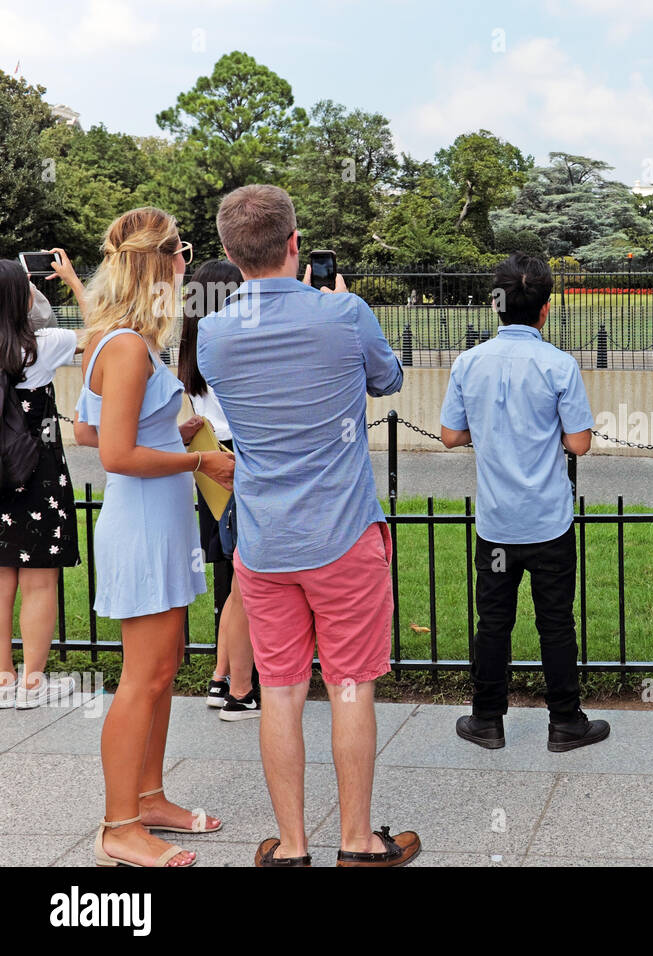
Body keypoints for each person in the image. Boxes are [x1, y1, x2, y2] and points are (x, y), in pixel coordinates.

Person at [199, 184, 419, 867]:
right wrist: (336, 307)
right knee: (350, 684)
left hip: (264, 542)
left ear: (233, 256)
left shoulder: (212, 332)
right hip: (344, 533)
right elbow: (388, 382)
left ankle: (292, 845)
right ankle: (356, 841)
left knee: (282, 692)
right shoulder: (345, 314)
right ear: (295, 244)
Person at [74, 207, 235, 867]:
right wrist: (199, 458)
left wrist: (168, 439)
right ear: (161, 262)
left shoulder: (115, 341)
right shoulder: (129, 347)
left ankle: (150, 797)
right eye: (182, 252)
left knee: (163, 672)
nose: (186, 263)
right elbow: (112, 454)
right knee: (142, 679)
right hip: (142, 527)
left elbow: (93, 431)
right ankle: (118, 826)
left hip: (155, 524)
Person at [441, 253, 608, 753]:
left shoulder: (469, 362)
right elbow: (579, 442)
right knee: (555, 621)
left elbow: (451, 435)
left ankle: (487, 719)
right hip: (549, 520)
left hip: (496, 523)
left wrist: (491, 431)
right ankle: (565, 722)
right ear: (546, 309)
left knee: (493, 622)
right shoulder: (559, 364)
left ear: (496, 303)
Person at [178, 259, 259, 721]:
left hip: (208, 460)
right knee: (244, 575)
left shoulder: (192, 345)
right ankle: (235, 682)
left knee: (229, 572)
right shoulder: (231, 342)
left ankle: (220, 675)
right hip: (237, 458)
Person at [0, 260, 81, 709]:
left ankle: (1, 678)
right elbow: (107, 330)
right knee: (38, 581)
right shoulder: (44, 345)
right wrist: (71, 281)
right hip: (36, 474)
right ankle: (32, 682)